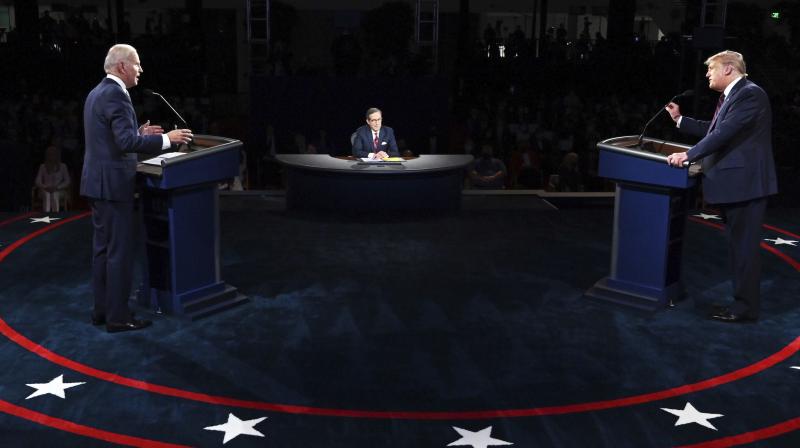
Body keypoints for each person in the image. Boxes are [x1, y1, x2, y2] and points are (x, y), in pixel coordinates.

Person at [81, 44, 193, 333]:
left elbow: (114, 138)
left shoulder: (96, 93)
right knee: (118, 253)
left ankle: (102, 311)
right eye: (137, 64)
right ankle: (118, 318)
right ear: (122, 67)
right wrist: (168, 139)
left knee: (103, 251)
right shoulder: (117, 95)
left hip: (97, 183)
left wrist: (139, 133)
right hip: (115, 185)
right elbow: (126, 144)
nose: (140, 70)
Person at [665, 50, 777, 323]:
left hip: (746, 186)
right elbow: (714, 129)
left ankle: (745, 309)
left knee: (744, 249)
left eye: (711, 69)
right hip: (737, 186)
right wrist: (680, 120)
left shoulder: (750, 94)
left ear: (728, 69)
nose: (707, 74)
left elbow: (723, 133)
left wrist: (689, 155)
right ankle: (741, 304)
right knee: (739, 248)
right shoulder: (733, 97)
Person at [35, 146, 71, 212]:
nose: (52, 156)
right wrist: (45, 187)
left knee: (55, 194)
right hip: (45, 189)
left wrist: (57, 187)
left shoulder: (63, 166)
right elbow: (37, 181)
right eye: (50, 154)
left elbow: (67, 181)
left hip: (59, 190)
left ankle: (55, 215)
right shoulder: (43, 166)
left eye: (54, 154)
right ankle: (46, 215)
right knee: (47, 194)